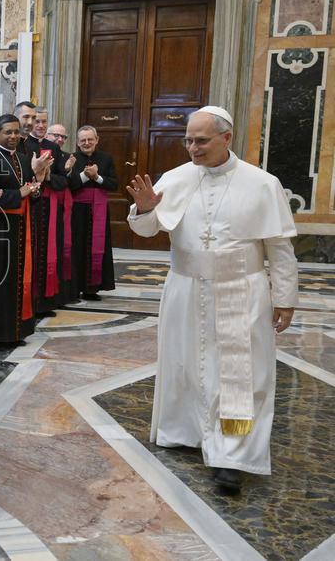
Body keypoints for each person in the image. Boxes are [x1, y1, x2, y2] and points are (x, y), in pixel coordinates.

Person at [126, 106, 297, 492]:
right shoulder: (177, 177)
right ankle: (189, 432)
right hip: (185, 288)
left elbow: (280, 249)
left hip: (240, 289)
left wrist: (284, 297)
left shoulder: (262, 183)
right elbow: (149, 229)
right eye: (188, 139)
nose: (193, 148)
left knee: (238, 375)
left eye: (201, 140)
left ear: (226, 138)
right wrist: (146, 208)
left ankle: (232, 456)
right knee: (185, 363)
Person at [0, 115, 41, 348]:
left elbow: (31, 189)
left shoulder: (23, 159)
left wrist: (34, 190)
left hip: (21, 228)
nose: (13, 136)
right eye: (8, 132)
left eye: (16, 132)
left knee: (18, 278)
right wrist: (20, 194)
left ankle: (15, 332)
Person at [20, 107, 70, 317]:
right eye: (36, 121)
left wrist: (48, 177)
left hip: (49, 210)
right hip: (30, 204)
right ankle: (29, 302)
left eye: (43, 122)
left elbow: (62, 180)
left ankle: (45, 302)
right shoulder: (23, 145)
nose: (39, 125)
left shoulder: (53, 148)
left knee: (49, 252)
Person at [67, 126, 118, 301]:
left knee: (97, 248)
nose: (87, 143)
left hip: (99, 210)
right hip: (77, 211)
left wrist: (97, 177)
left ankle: (91, 289)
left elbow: (114, 184)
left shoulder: (106, 158)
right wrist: (84, 176)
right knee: (76, 247)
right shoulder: (71, 158)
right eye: (83, 140)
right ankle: (74, 288)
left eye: (90, 139)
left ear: (97, 140)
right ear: (77, 142)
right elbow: (68, 185)